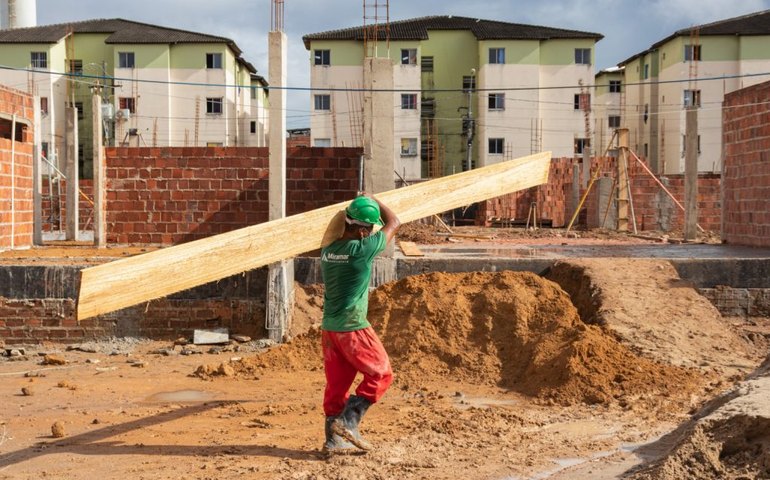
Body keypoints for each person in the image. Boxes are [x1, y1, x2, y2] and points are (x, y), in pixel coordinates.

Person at [320, 194, 401, 454]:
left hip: (330, 329)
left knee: (337, 387)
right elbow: (395, 222)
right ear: (364, 231)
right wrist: (374, 199)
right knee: (381, 374)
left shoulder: (329, 250)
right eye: (371, 228)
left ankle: (334, 442)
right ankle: (347, 423)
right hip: (353, 327)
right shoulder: (361, 251)